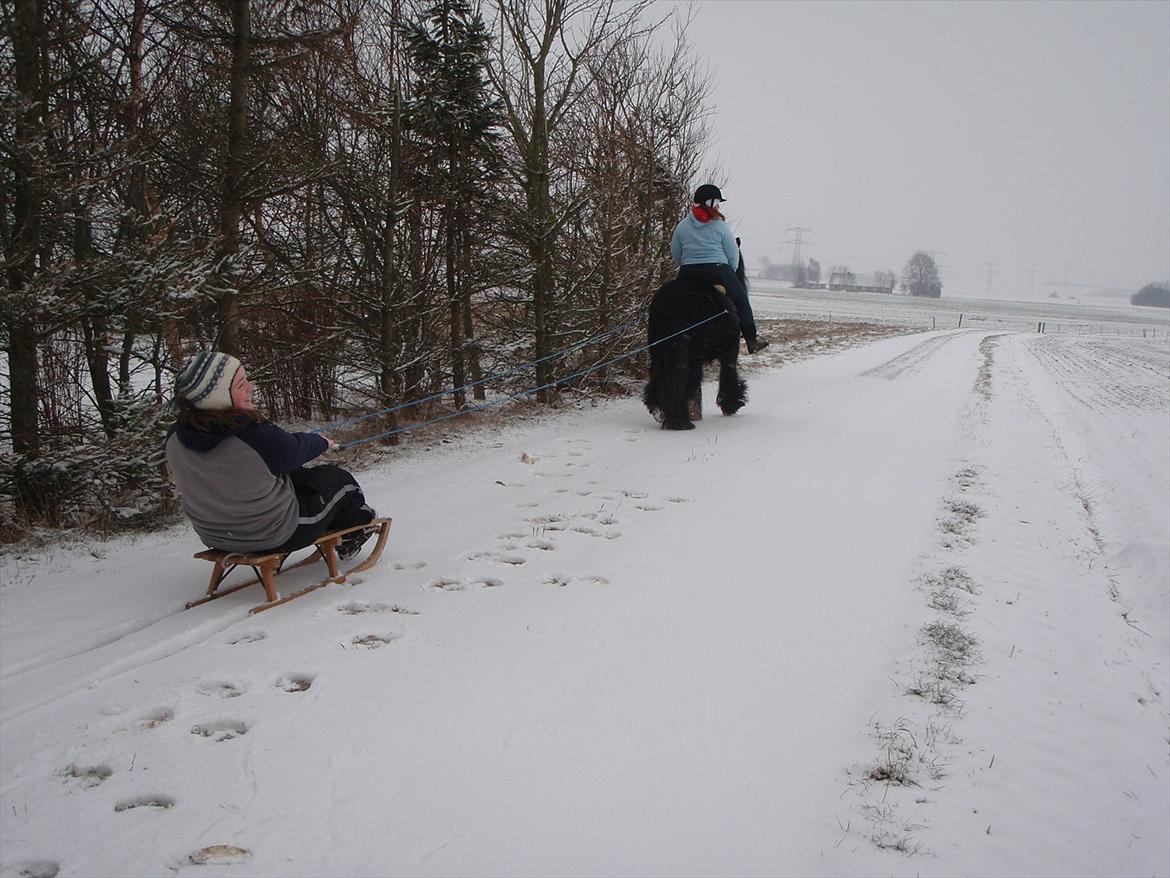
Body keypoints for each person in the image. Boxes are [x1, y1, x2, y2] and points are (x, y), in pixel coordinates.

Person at [165, 351, 377, 560]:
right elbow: (292, 451)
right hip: (275, 534)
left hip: (215, 536)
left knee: (297, 475)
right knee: (338, 481)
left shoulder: (176, 436)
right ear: (217, 399)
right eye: (241, 385)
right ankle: (356, 530)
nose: (251, 387)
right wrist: (322, 442)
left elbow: (275, 456)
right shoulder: (247, 431)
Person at [670, 184, 769, 353]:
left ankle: (672, 338)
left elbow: (675, 252)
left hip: (688, 272)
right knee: (741, 300)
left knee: (674, 304)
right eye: (716, 202)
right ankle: (751, 340)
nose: (718, 206)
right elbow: (732, 253)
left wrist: (688, 264)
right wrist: (730, 271)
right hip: (718, 270)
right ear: (709, 202)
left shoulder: (682, 226)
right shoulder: (720, 226)